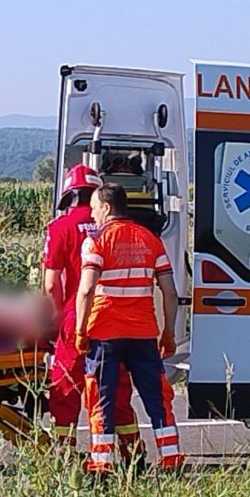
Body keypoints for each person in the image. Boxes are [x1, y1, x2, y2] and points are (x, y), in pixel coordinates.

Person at [75, 183, 184, 473]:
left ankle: (101, 464)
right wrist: (169, 333)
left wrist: (80, 330)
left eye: (95, 208)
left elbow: (86, 290)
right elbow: (170, 293)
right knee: (157, 397)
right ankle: (170, 457)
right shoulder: (150, 240)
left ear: (107, 208)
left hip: (104, 332)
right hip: (144, 333)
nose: (93, 214)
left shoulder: (96, 241)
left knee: (102, 398)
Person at [43, 166, 144, 459]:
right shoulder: (117, 228)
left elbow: (51, 285)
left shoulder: (60, 227)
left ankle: (65, 457)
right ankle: (131, 454)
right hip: (112, 320)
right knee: (115, 390)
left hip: (75, 317)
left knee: (66, 390)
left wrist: (56, 319)